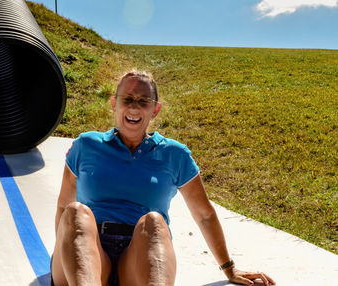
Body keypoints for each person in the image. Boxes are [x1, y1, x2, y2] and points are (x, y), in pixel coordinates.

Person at [51, 70, 275, 286]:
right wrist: (70, 256)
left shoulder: (175, 155)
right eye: (127, 98)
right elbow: (63, 206)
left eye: (143, 101)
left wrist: (229, 268)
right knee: (75, 212)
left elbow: (204, 215)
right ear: (114, 103)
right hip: (89, 251)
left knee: (155, 222)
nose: (134, 106)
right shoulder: (86, 145)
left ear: (155, 110)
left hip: (139, 258)